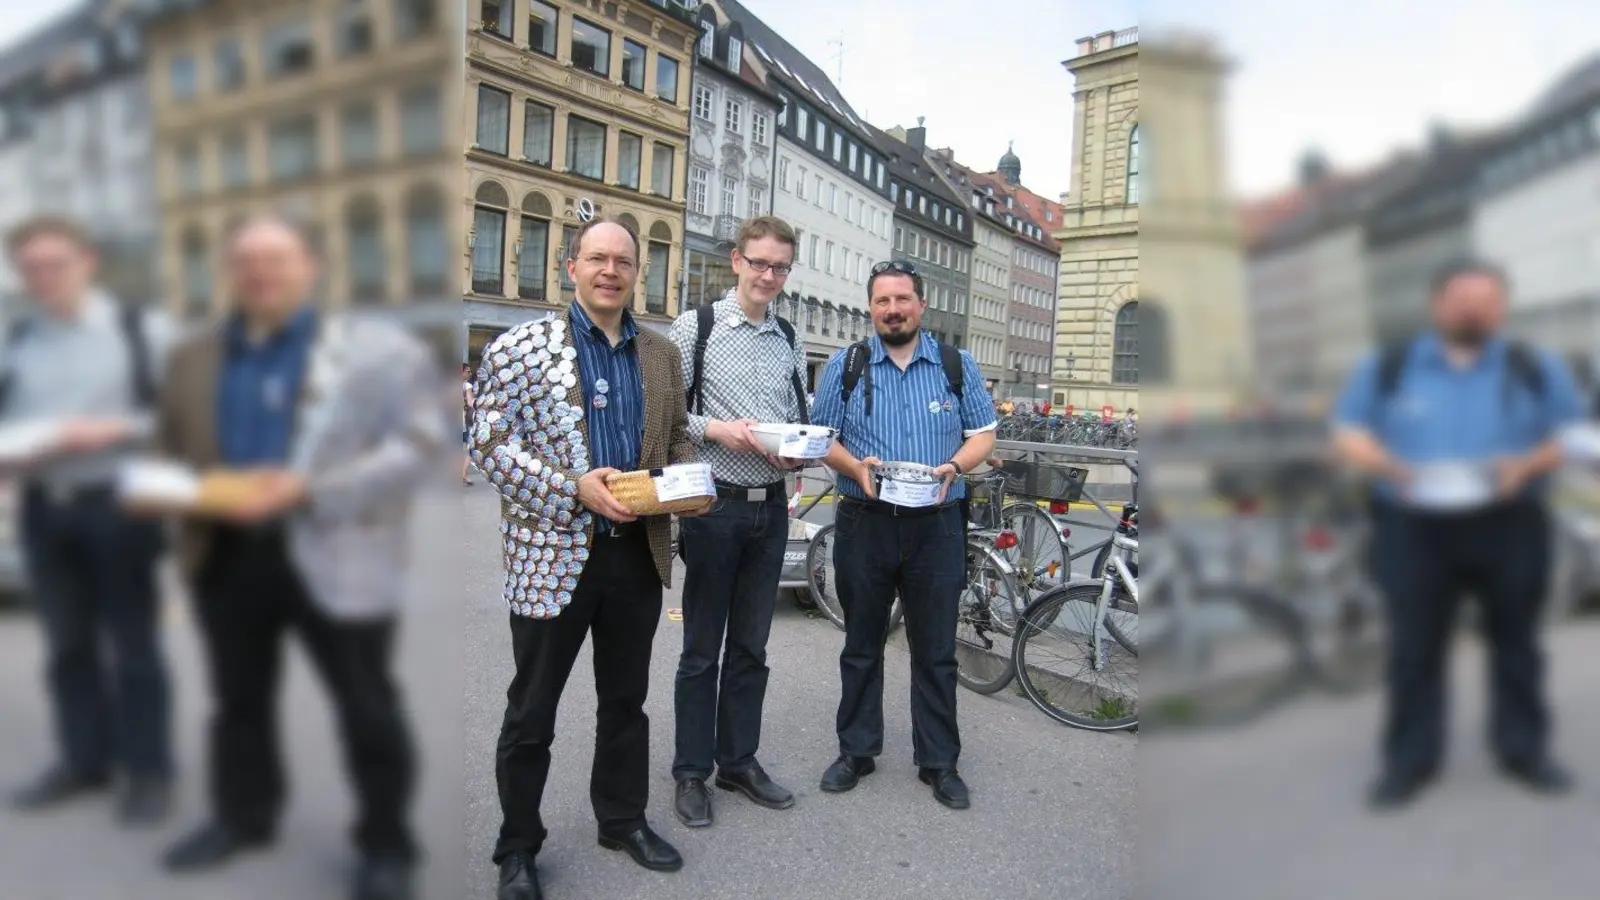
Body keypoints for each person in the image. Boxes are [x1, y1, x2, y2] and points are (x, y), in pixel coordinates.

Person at [154, 215, 441, 900]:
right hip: (227, 553)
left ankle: (387, 844)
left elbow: (419, 445)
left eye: (277, 259)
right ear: (230, 271)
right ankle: (243, 816)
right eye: (247, 260)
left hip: (337, 549)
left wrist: (311, 487)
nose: (261, 273)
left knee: (366, 705)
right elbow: (169, 448)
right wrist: (180, 492)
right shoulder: (195, 357)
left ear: (312, 265)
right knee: (237, 702)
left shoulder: (374, 351)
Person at [484, 219, 699, 900]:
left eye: (624, 261)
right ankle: (517, 847)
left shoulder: (662, 356)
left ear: (638, 273)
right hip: (552, 553)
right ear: (570, 266)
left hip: (635, 556)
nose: (611, 271)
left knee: (625, 702)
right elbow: (489, 445)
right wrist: (569, 487)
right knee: (532, 711)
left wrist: (691, 488)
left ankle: (622, 820)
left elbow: (676, 442)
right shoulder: (520, 346)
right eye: (597, 258)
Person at [1330, 259, 1582, 810]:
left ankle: (1525, 752)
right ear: (1437, 304)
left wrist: (1527, 464)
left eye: (1486, 299)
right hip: (1415, 524)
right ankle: (1409, 763)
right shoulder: (1390, 365)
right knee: (1414, 649)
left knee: (1517, 644)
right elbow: (1349, 432)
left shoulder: (1533, 366)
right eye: (1462, 298)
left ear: (1502, 308)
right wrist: (1392, 467)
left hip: (1510, 522)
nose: (1473, 308)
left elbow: (1570, 434)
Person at [0, 216, 177, 825]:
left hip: (119, 503)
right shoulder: (20, 339)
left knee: (133, 646)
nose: (44, 276)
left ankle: (149, 772)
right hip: (46, 509)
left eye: (57, 262)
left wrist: (115, 429)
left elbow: (187, 416)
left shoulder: (138, 330)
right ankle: (84, 761)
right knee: (67, 645)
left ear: (87, 259)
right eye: (31, 267)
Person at [809, 259, 997, 810]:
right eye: (882, 302)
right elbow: (822, 439)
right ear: (871, 308)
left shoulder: (957, 365)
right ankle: (857, 751)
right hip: (865, 520)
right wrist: (854, 465)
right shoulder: (848, 364)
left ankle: (939, 762)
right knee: (861, 643)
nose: (892, 310)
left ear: (921, 304)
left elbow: (983, 435)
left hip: (936, 525)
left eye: (902, 299)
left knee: (936, 649)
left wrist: (956, 467)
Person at [667, 216, 807, 827]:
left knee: (752, 646)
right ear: (737, 261)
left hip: (771, 507)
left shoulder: (789, 338)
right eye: (760, 263)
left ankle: (739, 761)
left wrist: (796, 447)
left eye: (780, 267)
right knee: (701, 649)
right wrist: (719, 429)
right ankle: (691, 772)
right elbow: (668, 413)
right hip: (713, 505)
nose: (769, 276)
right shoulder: (695, 328)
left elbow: (796, 416)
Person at [463, 363, 476, 485]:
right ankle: (464, 475)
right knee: (470, 448)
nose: (470, 374)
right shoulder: (467, 385)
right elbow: (470, 402)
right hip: (462, 421)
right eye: (468, 371)